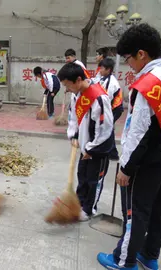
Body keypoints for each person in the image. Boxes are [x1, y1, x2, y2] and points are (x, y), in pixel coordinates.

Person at [97, 23, 161, 270]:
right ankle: (149, 255)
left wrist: (127, 167)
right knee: (158, 209)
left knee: (136, 212)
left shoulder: (148, 85)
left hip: (146, 162)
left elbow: (140, 132)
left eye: (129, 58)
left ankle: (125, 260)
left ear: (142, 54)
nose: (129, 64)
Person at [58, 62, 114, 221]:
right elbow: (74, 118)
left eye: (67, 85)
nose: (67, 89)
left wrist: (91, 148)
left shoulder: (99, 97)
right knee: (82, 176)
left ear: (78, 80)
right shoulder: (76, 95)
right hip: (84, 146)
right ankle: (79, 203)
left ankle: (89, 209)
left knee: (93, 180)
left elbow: (105, 127)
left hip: (98, 149)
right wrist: (74, 135)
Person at [98, 58, 124, 161]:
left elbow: (106, 99)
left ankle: (112, 153)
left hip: (115, 109)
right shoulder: (103, 79)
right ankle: (111, 152)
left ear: (108, 69)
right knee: (108, 128)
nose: (100, 70)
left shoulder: (111, 82)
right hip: (110, 108)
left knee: (107, 128)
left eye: (102, 68)